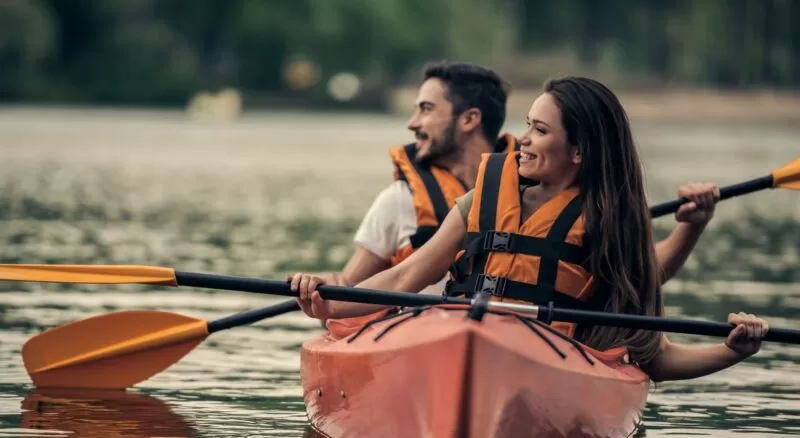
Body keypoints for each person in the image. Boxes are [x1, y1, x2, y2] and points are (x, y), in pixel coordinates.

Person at [289, 76, 768, 383]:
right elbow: (403, 278)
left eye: (539, 131)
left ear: (577, 150)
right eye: (526, 125)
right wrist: (325, 299)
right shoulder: (484, 198)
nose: (522, 141)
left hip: (552, 363)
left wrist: (732, 352)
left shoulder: (612, 224)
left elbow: (655, 357)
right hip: (456, 340)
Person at [329, 62, 719, 295]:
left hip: (531, 345)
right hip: (425, 339)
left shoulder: (557, 195)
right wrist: (323, 294)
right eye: (528, 127)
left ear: (470, 120)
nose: (412, 123)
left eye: (427, 109)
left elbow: (642, 276)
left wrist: (691, 228)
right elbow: (388, 280)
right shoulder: (403, 201)